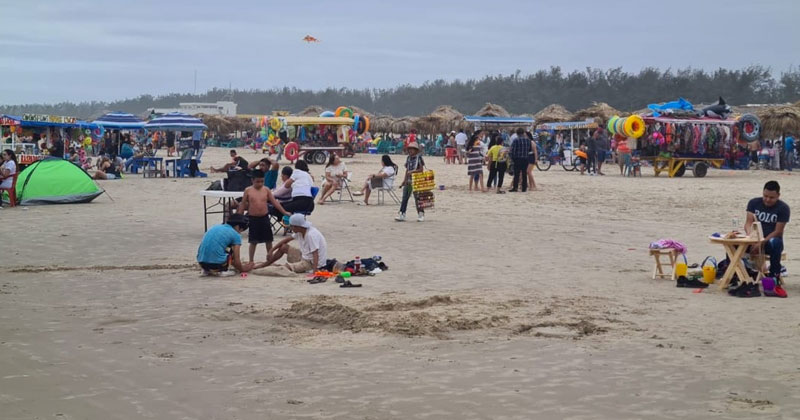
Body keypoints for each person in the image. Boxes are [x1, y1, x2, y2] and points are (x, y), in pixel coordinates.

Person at [238, 169, 290, 264]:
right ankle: (251, 260)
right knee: (253, 241)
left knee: (268, 240)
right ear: (252, 180)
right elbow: (242, 204)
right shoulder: (248, 190)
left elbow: (275, 202)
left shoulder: (266, 190)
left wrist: (284, 212)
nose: (260, 184)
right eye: (257, 181)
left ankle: (270, 259)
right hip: (253, 218)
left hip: (264, 217)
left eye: (262, 181)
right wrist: (239, 217)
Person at [744, 181, 790, 283]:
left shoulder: (783, 208)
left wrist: (761, 242)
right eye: (765, 196)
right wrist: (751, 238)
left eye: (771, 197)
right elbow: (748, 223)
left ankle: (774, 275)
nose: (768, 200)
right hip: (753, 240)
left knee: (776, 242)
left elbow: (778, 231)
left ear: (778, 196)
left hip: (770, 242)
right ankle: (734, 274)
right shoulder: (754, 203)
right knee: (732, 244)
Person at [254, 214, 327, 273]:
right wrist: (271, 250)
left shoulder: (311, 235)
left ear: (297, 226)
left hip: (311, 263)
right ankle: (266, 264)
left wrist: (315, 271)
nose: (291, 228)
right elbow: (285, 240)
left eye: (292, 226)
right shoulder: (301, 231)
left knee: (285, 268)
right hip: (305, 257)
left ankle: (265, 267)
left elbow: (315, 253)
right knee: (284, 247)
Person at [395, 142, 426, 222]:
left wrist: (412, 172)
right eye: (409, 149)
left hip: (416, 181)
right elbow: (407, 170)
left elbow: (421, 170)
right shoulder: (408, 158)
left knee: (418, 198)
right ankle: (402, 214)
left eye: (412, 149)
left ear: (416, 150)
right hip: (409, 181)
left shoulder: (419, 158)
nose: (410, 151)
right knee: (405, 198)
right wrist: (404, 181)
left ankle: (421, 214)